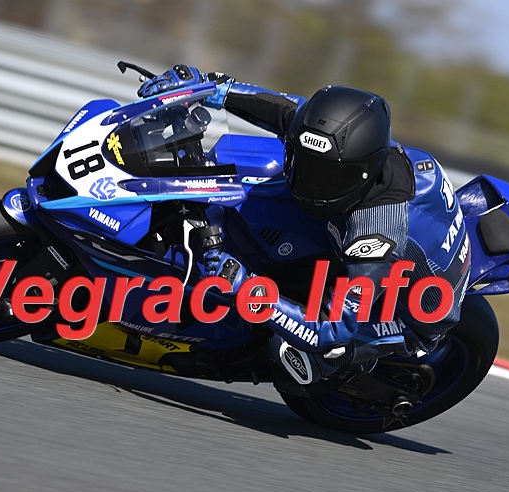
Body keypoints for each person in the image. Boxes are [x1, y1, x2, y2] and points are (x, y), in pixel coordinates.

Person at [137, 65, 471, 394]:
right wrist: (209, 88)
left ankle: (328, 370)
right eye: (304, 165)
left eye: (324, 177)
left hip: (406, 311)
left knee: (303, 354)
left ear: (360, 174)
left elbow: (331, 329)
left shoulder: (376, 237)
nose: (307, 182)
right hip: (367, 232)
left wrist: (245, 287)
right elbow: (285, 111)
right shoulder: (352, 148)